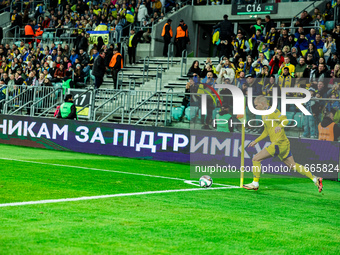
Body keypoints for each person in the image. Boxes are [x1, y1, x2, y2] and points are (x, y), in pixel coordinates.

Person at [244, 95, 324, 192]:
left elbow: (285, 120)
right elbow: (266, 131)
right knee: (292, 165)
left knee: (256, 159)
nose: (255, 107)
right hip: (283, 144)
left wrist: (280, 126)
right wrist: (256, 141)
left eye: (256, 105)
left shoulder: (273, 111)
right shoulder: (263, 114)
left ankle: (255, 183)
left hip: (279, 143)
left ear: (262, 104)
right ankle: (316, 179)